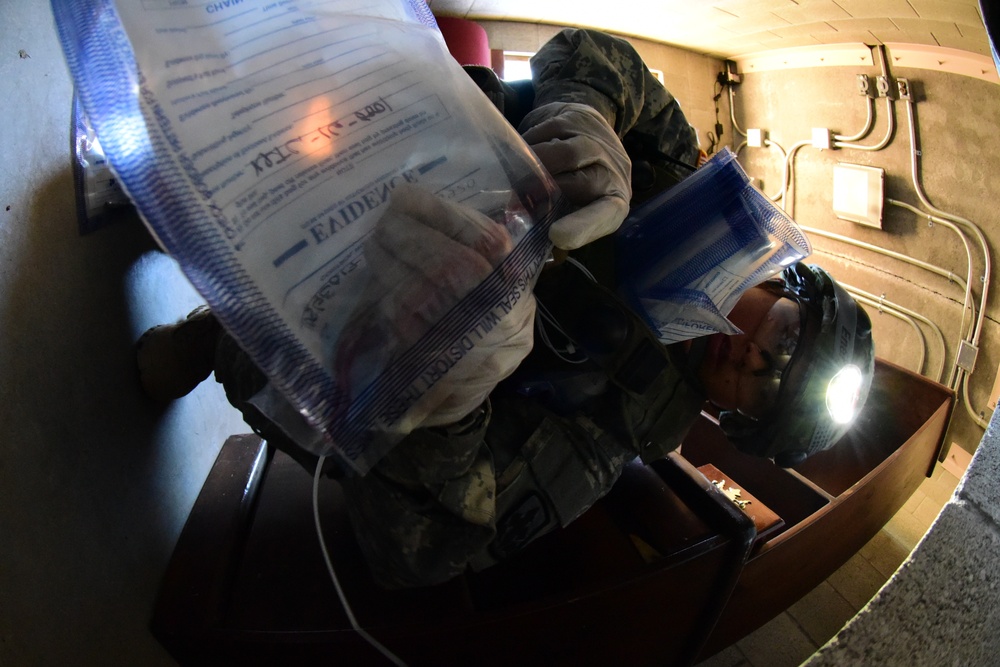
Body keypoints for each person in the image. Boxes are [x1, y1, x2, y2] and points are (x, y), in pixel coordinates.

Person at [136, 28, 875, 588]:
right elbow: (592, 55)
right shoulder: (682, 181)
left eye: (767, 382)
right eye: (782, 338)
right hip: (389, 148)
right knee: (224, 144)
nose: (753, 354)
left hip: (366, 308)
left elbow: (423, 550)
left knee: (277, 352)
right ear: (784, 287)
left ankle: (212, 336)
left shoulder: (611, 429)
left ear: (735, 416)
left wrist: (448, 396)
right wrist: (581, 111)